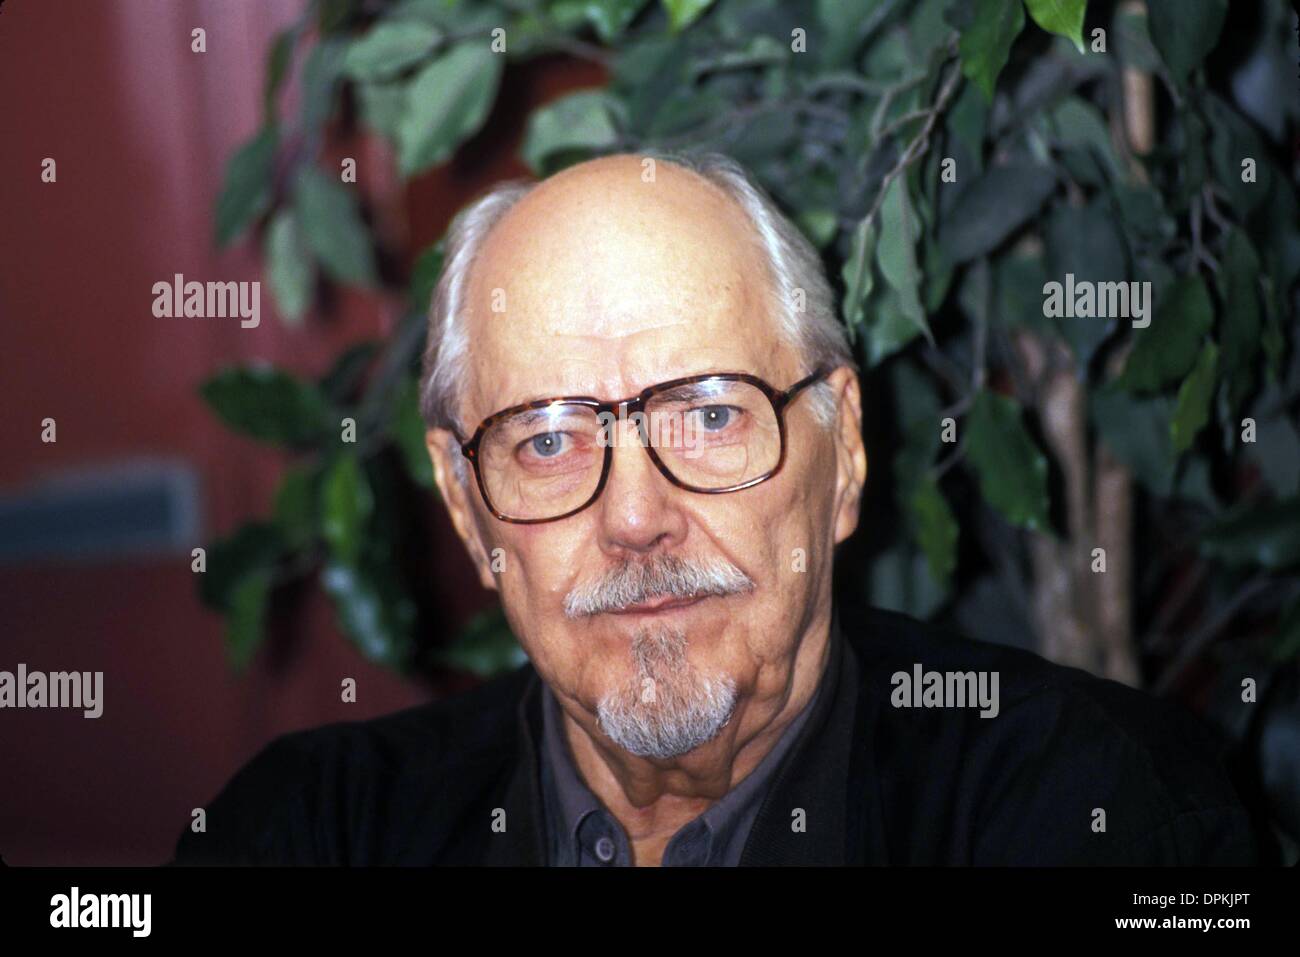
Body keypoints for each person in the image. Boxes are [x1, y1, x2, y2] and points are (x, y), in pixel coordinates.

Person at [172, 152, 1258, 866]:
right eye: (549, 440)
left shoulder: (1094, 811)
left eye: (709, 415)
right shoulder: (308, 834)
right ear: (466, 506)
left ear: (840, 456)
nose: (635, 516)